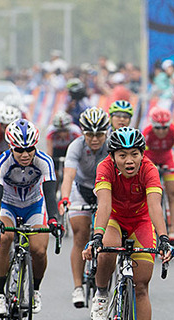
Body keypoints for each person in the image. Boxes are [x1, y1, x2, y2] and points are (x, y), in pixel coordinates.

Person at [83, 127, 174, 320]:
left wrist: (164, 237)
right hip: (114, 218)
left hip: (141, 221)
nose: (129, 160)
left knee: (142, 285)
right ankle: (102, 293)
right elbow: (104, 205)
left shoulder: (149, 169)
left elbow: (155, 206)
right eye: (122, 155)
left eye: (134, 154)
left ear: (142, 154)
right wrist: (97, 236)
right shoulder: (105, 168)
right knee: (108, 251)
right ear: (112, 156)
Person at [0, 119, 63, 317]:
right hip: (8, 206)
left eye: (29, 149)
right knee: (4, 239)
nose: (25, 154)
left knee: (39, 250)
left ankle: (35, 290)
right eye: (19, 150)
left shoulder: (44, 161)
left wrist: (54, 219)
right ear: (10, 147)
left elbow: (49, 193)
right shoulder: (0, 163)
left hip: (34, 206)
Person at [58, 108, 110, 309]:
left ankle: (103, 285)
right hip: (81, 189)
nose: (95, 139)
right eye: (90, 134)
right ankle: (78, 287)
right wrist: (64, 198)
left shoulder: (111, 145)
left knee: (106, 236)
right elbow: (68, 176)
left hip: (105, 189)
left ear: (106, 133)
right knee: (80, 234)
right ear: (83, 133)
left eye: (99, 134)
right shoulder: (76, 146)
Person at [142, 107, 174, 244]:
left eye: (164, 128)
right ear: (152, 125)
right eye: (158, 128)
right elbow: (142, 155)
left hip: (167, 158)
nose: (161, 132)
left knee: (171, 194)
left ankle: (172, 230)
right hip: (150, 159)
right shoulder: (147, 133)